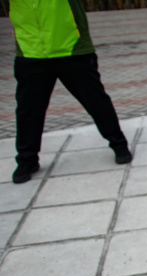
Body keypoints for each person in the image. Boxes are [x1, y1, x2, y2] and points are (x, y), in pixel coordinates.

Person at [8, 0, 133, 184]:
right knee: (28, 111)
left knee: (96, 101)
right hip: (30, 51)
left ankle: (119, 144)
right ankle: (27, 160)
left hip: (72, 48)